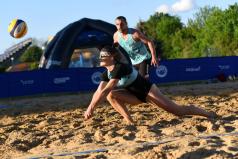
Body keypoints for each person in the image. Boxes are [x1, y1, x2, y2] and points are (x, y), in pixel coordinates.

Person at [84, 46, 216, 124]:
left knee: (178, 111)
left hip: (148, 91)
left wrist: (92, 108)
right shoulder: (107, 72)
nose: (99, 58)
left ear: (111, 57)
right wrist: (90, 106)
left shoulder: (119, 67)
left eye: (102, 56)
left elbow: (106, 89)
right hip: (134, 95)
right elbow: (99, 91)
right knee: (111, 96)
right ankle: (129, 121)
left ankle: (208, 113)